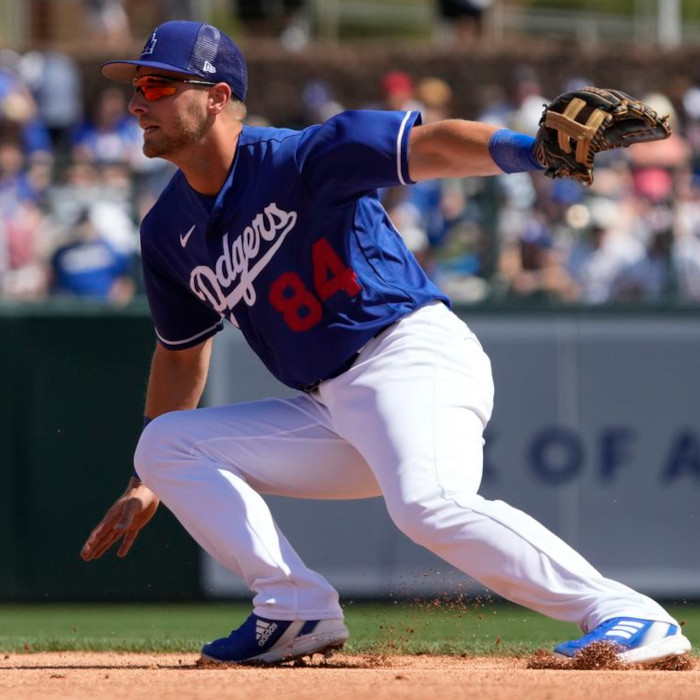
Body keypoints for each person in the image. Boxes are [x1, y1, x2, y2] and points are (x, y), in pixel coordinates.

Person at [80, 21, 692, 666]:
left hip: (408, 355)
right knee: (164, 444)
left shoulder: (301, 156)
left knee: (430, 506)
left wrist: (533, 151)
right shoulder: (166, 230)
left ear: (216, 97)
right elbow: (181, 352)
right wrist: (148, 481)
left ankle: (627, 615)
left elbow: (433, 147)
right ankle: (292, 609)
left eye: (157, 84)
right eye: (136, 87)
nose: (137, 102)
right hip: (330, 405)